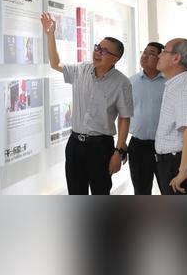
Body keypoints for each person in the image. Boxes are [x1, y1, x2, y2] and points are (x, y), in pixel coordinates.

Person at [41, 12, 133, 195]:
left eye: (104, 51)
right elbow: (56, 63)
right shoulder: (81, 70)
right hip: (75, 144)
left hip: (101, 147)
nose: (98, 52)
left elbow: (124, 118)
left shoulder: (121, 82)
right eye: (98, 47)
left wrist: (118, 151)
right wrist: (50, 35)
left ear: (115, 59)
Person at [155, 38, 187, 195]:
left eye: (164, 51)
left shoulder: (183, 90)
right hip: (173, 163)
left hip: (180, 165)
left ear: (176, 58)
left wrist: (183, 171)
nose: (159, 55)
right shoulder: (174, 85)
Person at [127, 42, 165, 195]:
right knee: (141, 191)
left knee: (168, 190)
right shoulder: (131, 82)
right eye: (144, 52)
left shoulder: (169, 83)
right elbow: (124, 114)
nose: (145, 56)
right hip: (138, 146)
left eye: (151, 53)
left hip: (164, 146)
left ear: (160, 58)